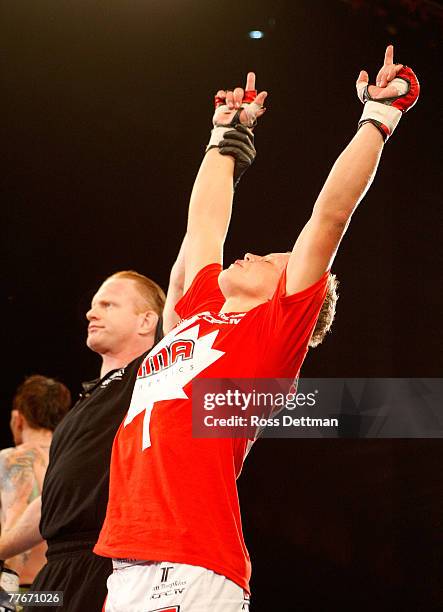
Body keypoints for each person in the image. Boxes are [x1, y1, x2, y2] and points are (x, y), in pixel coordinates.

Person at [93, 46, 419, 611]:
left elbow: (329, 216)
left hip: (192, 563)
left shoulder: (268, 341)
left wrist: (379, 117)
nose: (250, 254)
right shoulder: (197, 317)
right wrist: (225, 136)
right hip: (128, 560)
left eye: (271, 258)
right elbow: (205, 227)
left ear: (287, 296)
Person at [0, 271, 169, 611]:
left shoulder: (153, 379)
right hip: (57, 571)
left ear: (146, 320)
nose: (92, 313)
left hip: (110, 565)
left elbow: (184, 282)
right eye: (93, 306)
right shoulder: (82, 408)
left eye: (108, 304)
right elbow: (53, 502)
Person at [0, 376, 71, 592]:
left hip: (22, 592)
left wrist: (8, 598)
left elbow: (16, 521)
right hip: (66, 588)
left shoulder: (12, 459)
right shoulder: (72, 460)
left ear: (18, 418)